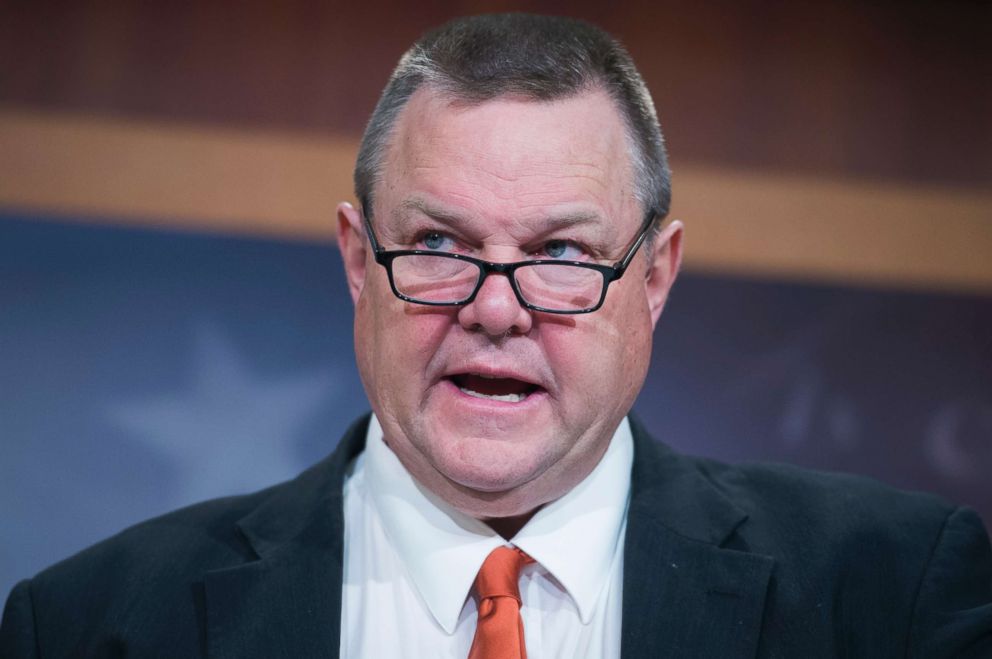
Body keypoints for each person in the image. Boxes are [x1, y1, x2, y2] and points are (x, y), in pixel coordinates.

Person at [2, 13, 990, 659]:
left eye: (560, 250)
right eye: (438, 241)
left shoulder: (890, 595)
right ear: (358, 260)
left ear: (652, 277)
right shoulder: (91, 626)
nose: (494, 306)